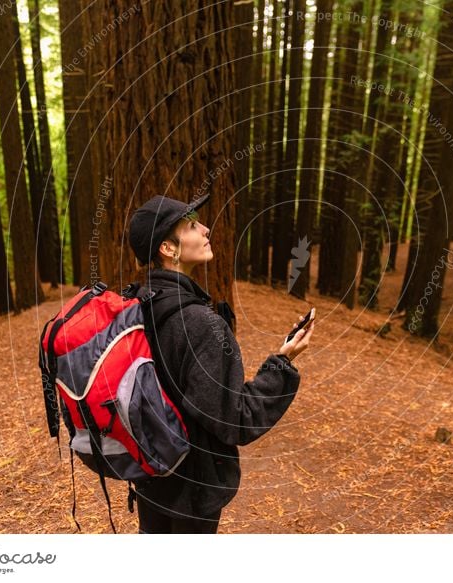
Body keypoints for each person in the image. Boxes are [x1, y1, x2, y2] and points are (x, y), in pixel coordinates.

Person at [127, 194, 315, 533]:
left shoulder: (139, 305)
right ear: (168, 249)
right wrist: (283, 363)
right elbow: (234, 419)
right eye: (192, 225)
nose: (206, 229)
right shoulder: (199, 323)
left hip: (150, 476)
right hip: (192, 488)